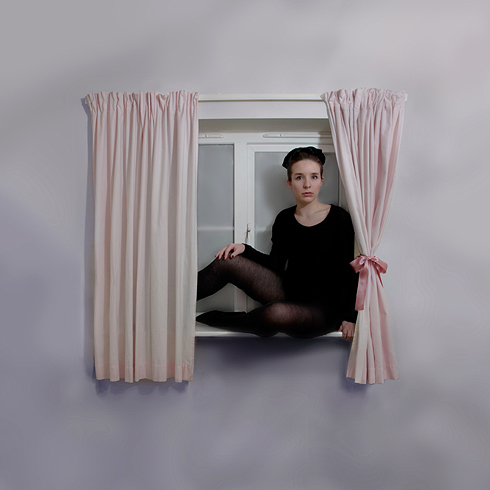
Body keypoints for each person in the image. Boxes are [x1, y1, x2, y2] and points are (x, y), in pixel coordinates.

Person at [196, 147, 358, 340]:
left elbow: (351, 272)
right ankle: (171, 302)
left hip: (324, 309)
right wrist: (244, 249)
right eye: (299, 177)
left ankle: (219, 318)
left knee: (275, 313)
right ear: (289, 182)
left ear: (321, 181)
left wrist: (351, 316)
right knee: (227, 262)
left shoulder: (339, 217)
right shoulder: (284, 219)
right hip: (290, 292)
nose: (307, 184)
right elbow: (275, 265)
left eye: (314, 177)